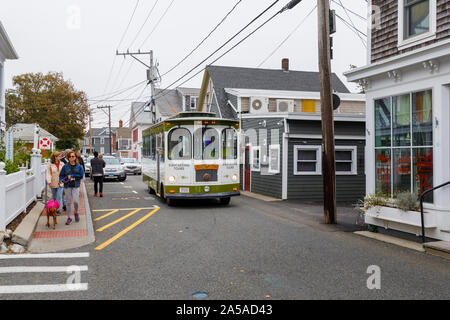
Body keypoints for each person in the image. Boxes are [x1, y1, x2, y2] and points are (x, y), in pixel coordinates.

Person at [59, 151, 84, 225]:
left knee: (76, 201)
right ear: (68, 158)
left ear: (75, 157)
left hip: (76, 185)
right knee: (68, 202)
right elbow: (61, 175)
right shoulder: (65, 166)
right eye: (70, 156)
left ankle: (76, 212)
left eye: (73, 156)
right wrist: (61, 180)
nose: (71, 158)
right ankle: (69, 217)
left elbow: (81, 175)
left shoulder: (79, 166)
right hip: (67, 185)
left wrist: (73, 176)